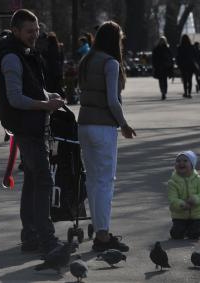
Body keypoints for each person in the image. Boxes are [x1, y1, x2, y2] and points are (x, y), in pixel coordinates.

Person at [0, 9, 65, 255]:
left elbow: (30, 88)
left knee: (34, 180)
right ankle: (46, 239)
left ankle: (31, 236)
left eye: (36, 30)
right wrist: (45, 105)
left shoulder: (22, 52)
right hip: (26, 127)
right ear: (15, 31)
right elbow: (15, 98)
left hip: (31, 125)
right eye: (29, 31)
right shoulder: (12, 57)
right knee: (44, 180)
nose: (35, 35)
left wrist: (49, 96)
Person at [77, 21, 136, 252]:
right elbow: (113, 100)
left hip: (84, 124)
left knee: (93, 180)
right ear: (115, 40)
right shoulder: (110, 63)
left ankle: (99, 228)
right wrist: (124, 124)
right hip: (103, 127)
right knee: (105, 181)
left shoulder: (87, 59)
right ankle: (102, 235)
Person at [168, 151, 200, 240]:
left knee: (194, 235)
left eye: (185, 161)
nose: (181, 163)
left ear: (192, 165)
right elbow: (172, 198)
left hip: (197, 214)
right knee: (177, 235)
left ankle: (192, 229)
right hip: (179, 214)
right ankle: (180, 229)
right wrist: (181, 204)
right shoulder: (172, 182)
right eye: (178, 161)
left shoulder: (198, 179)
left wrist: (195, 199)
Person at [152, 36, 174, 100]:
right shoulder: (160, 48)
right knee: (162, 80)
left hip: (164, 67)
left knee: (163, 80)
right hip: (161, 66)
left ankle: (164, 92)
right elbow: (154, 58)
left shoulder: (165, 48)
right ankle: (163, 92)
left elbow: (170, 58)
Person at [44, 32, 64, 97]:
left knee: (51, 86)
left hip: (51, 69)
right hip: (58, 68)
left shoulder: (49, 47)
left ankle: (57, 97)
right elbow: (62, 58)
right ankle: (61, 96)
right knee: (58, 85)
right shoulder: (59, 47)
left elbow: (46, 56)